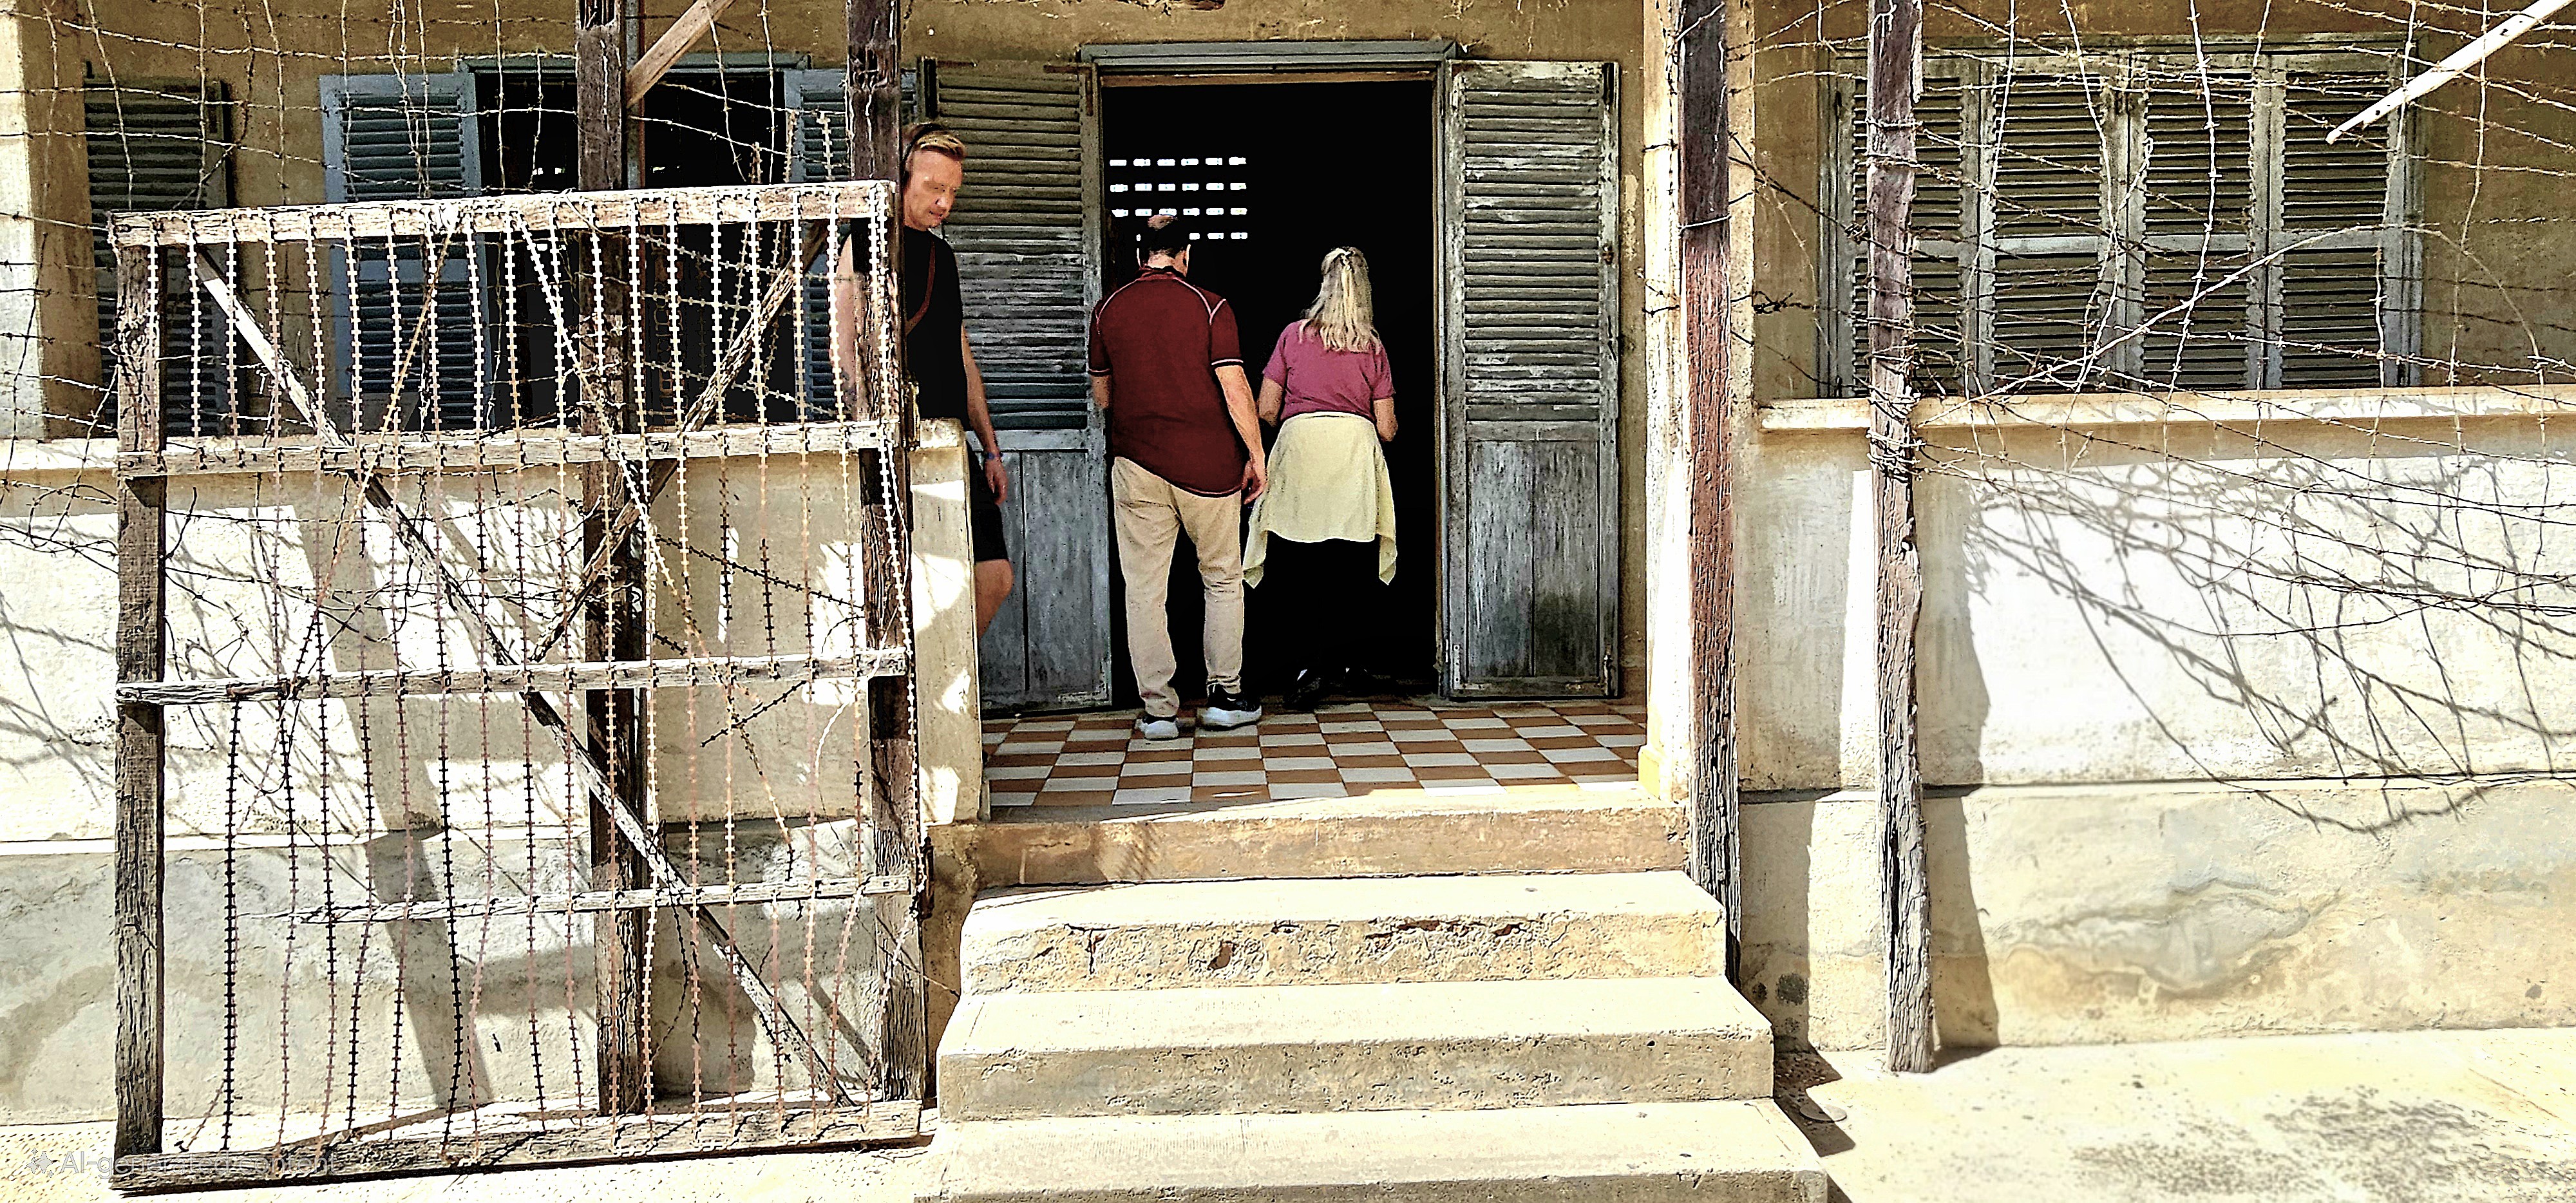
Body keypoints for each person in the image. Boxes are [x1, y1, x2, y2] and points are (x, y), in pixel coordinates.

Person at [1088, 216, 1267, 740]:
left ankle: (1159, 711)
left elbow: (1103, 396)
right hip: (1208, 468)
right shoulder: (1212, 306)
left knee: (1144, 590)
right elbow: (1234, 386)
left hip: (1137, 465)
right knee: (1221, 578)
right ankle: (1224, 697)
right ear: (1184, 254)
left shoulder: (1108, 309)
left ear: (1144, 255)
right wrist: (1256, 454)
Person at [834, 122, 1014, 634]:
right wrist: (868, 431)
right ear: (903, 176)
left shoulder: (943, 256)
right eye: (935, 188)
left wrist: (991, 449)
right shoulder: (865, 242)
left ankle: (942, 691)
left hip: (951, 439)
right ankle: (922, 705)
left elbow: (962, 357)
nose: (945, 203)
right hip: (895, 442)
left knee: (993, 576)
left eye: (952, 192)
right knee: (905, 581)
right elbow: (843, 348)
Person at [1244, 247, 1399, 711]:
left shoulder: (1293, 337)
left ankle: (1303, 666)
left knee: (1299, 561)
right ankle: (1346, 663)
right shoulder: (1372, 346)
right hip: (1353, 451)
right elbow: (1387, 428)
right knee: (1349, 559)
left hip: (1302, 449)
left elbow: (1266, 409)